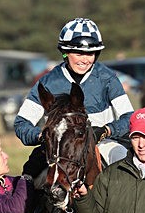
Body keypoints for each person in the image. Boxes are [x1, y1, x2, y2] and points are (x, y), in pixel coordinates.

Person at [14, 17, 134, 174]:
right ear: (65, 52)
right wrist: (43, 136)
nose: (85, 60)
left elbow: (129, 118)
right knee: (29, 176)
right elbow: (21, 123)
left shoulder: (108, 78)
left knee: (126, 168)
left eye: (90, 53)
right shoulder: (48, 82)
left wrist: (107, 130)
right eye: (79, 53)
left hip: (104, 144)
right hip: (58, 148)